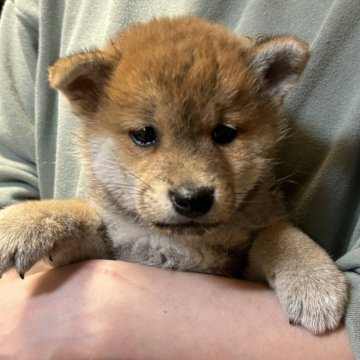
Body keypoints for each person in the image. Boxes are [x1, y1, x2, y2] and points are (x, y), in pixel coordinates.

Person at [0, 0, 358, 358]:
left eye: (223, 134)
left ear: (272, 83)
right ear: (86, 91)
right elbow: (90, 239)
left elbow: (254, 248)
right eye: (144, 135)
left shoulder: (254, 220)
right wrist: (55, 220)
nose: (192, 182)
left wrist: (280, 245)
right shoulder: (36, 12)